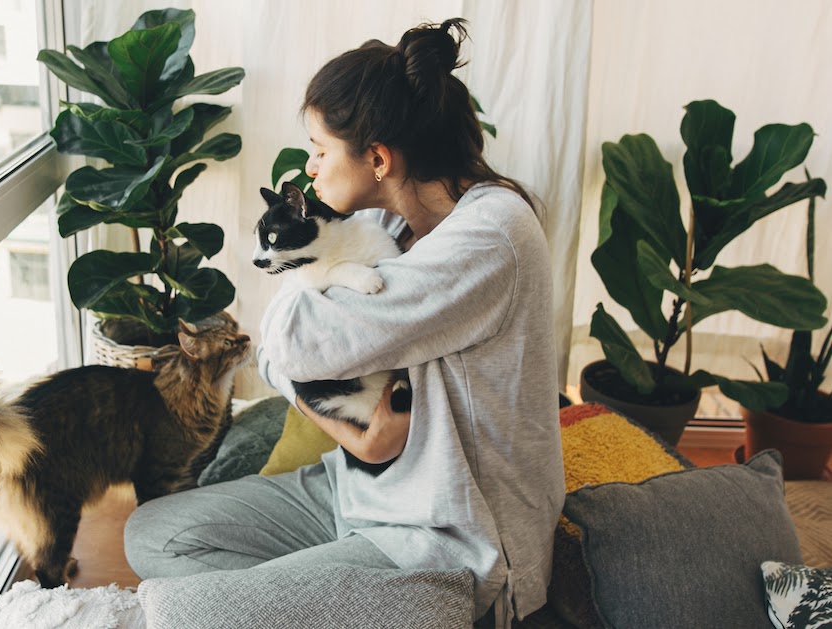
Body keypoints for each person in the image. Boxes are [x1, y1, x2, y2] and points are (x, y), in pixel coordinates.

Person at [124, 19, 564, 628]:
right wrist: (352, 436)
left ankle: (317, 600)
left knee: (195, 615)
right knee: (152, 533)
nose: (309, 168)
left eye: (321, 149)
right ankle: (317, 598)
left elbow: (295, 342)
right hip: (358, 489)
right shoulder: (386, 227)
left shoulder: (489, 240)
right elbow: (275, 353)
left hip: (446, 536)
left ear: (378, 158)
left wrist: (300, 334)